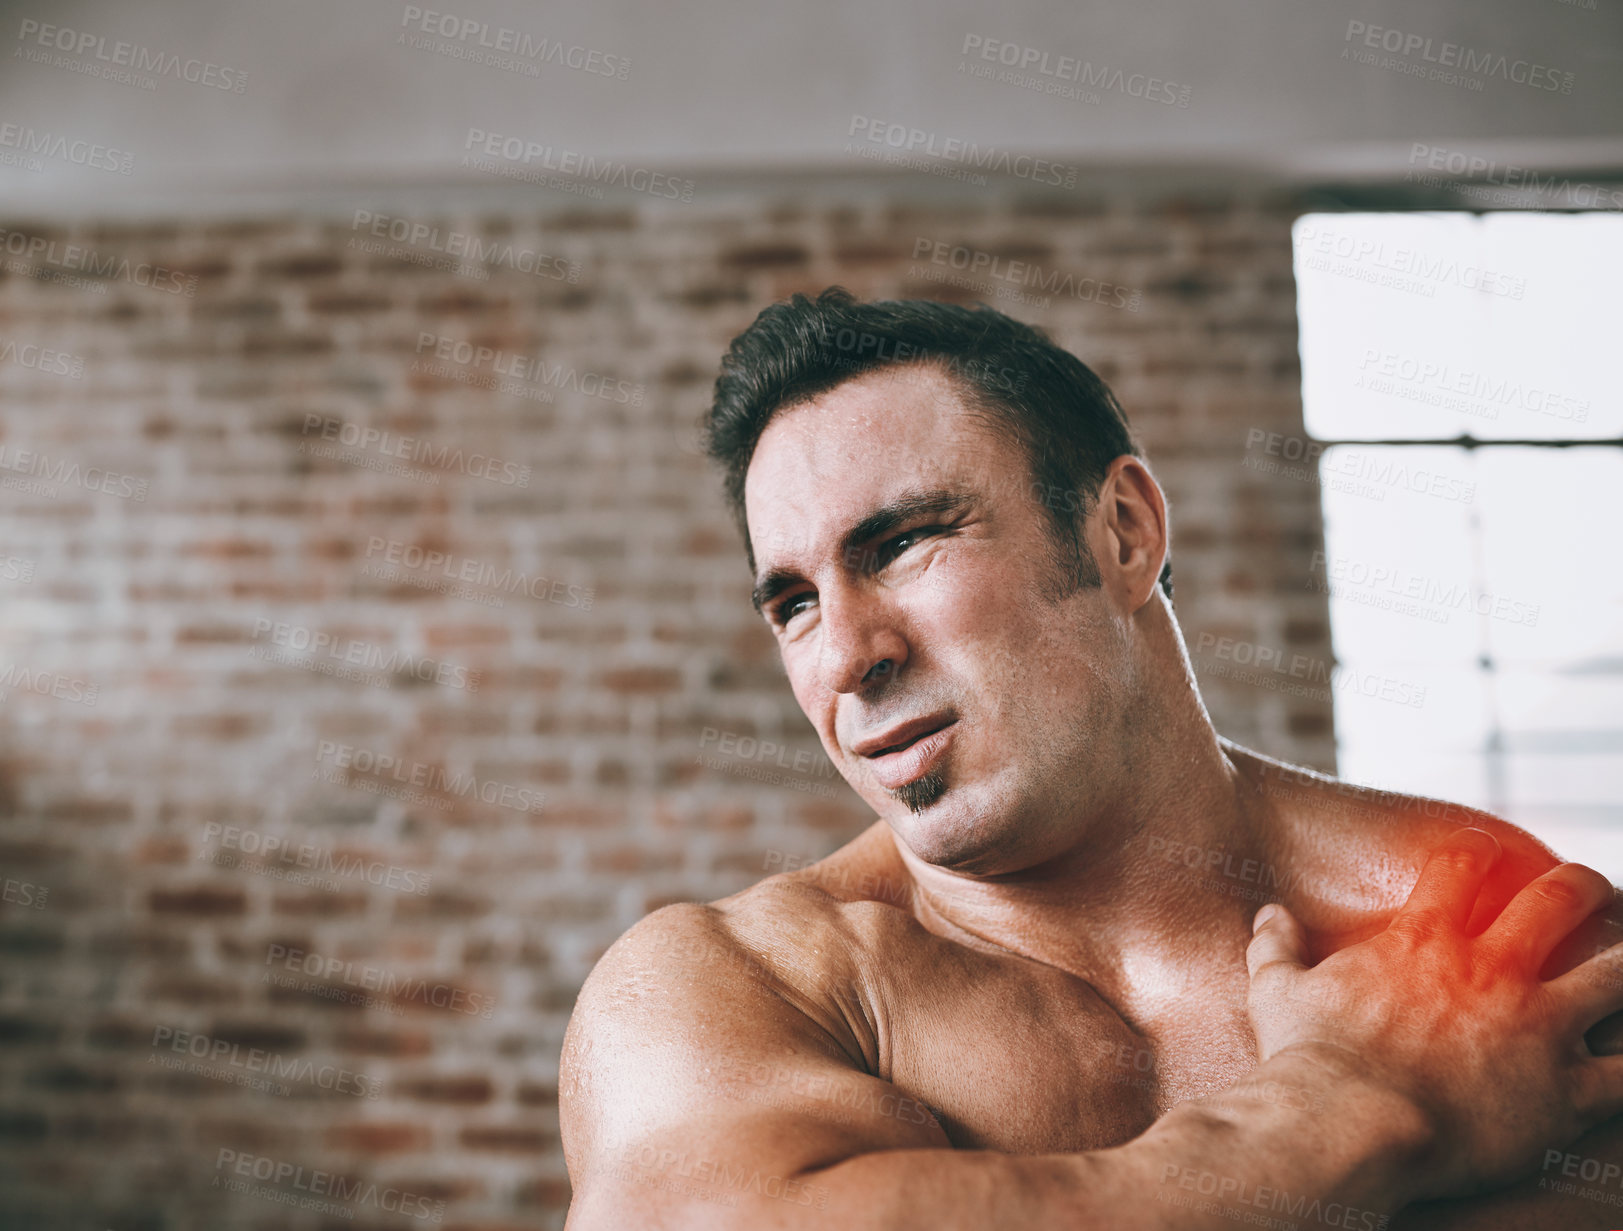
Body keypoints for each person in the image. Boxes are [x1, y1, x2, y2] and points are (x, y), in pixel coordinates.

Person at [560, 288, 1623, 1228]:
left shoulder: (1474, 922)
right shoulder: (744, 983)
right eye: (793, 603)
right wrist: (1337, 1108)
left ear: (1122, 531)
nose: (846, 655)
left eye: (903, 544)